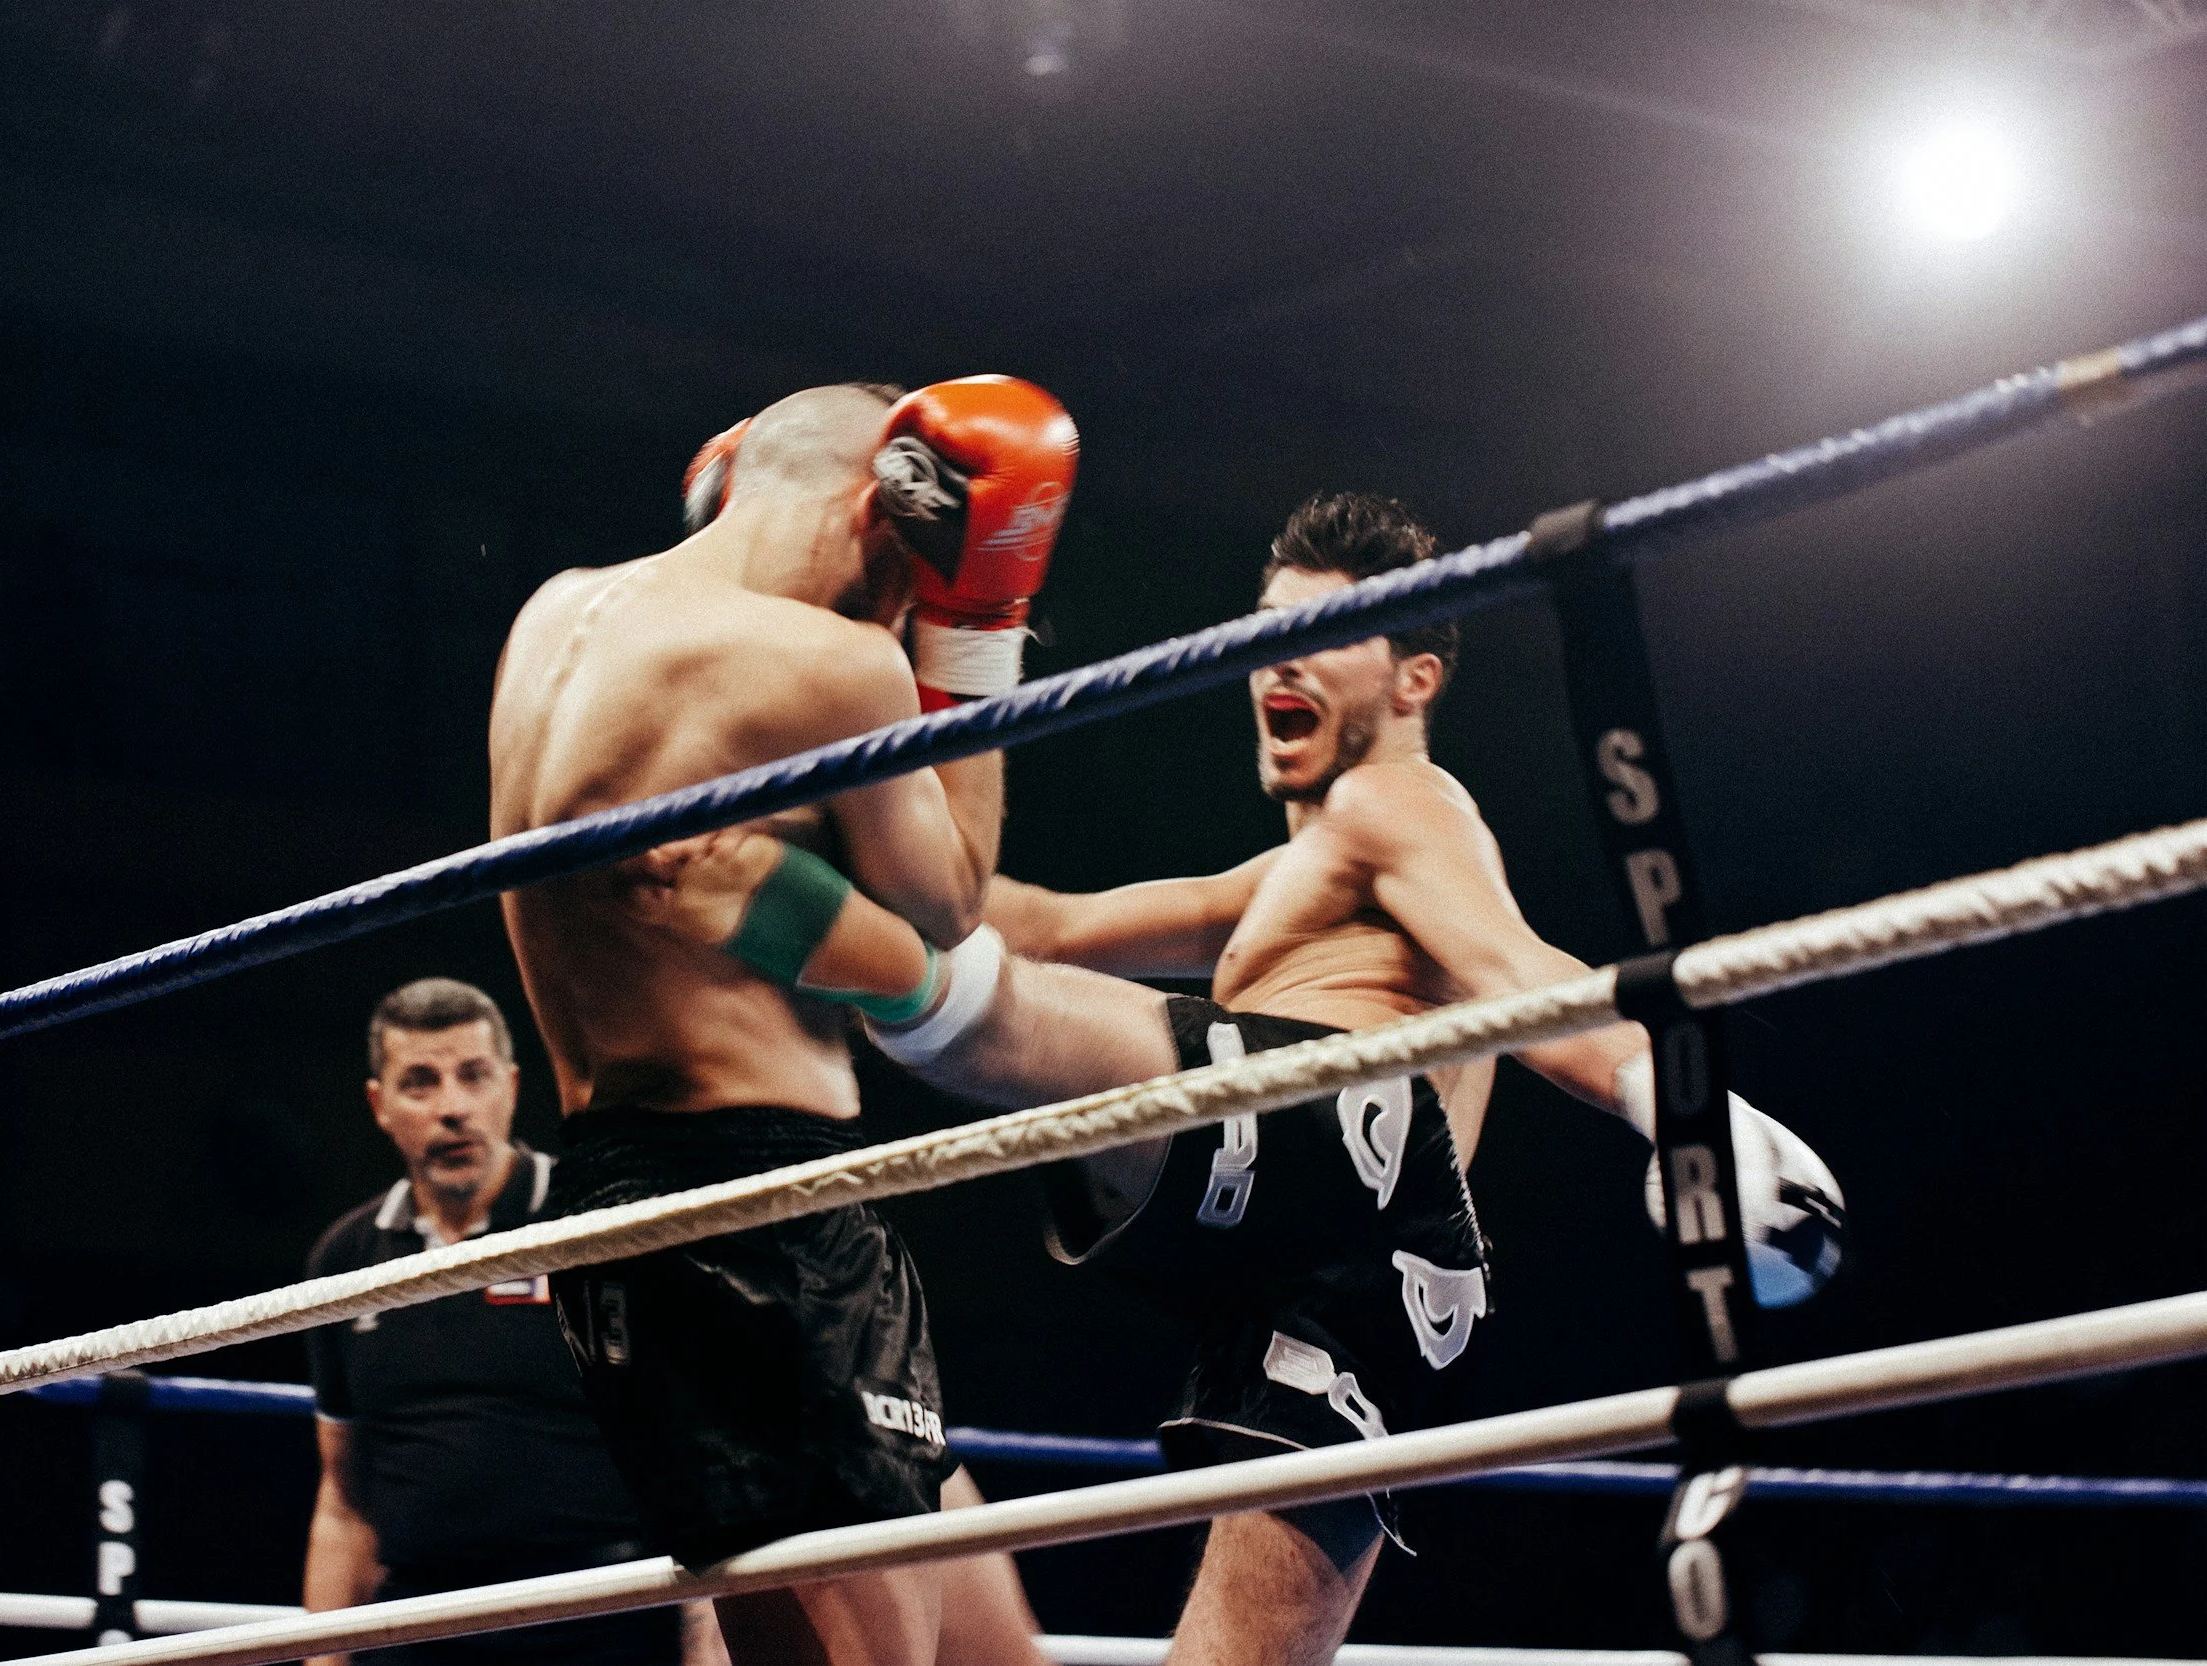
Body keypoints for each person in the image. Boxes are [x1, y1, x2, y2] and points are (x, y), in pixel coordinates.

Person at [622, 491, 1847, 1666]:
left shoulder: (1399, 800)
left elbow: (1521, 972)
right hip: (1369, 1283)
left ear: (1416, 679)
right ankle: (857, 951)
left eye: (1320, 636)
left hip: (1362, 1168)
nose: (1278, 664)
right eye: (1267, 637)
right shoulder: (1288, 877)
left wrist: (1691, 1115)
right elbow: (1037, 919)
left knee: (991, 1020)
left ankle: (852, 960)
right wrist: (833, 805)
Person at [487, 378, 1078, 1665]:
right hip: (765, 1210)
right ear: (888, 508)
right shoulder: (838, 661)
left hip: (618, 1199)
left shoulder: (554, 614)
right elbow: (952, 897)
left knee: (993, 1655)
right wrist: (976, 619)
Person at [301, 977, 722, 1666]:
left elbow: (693, 1450)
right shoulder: (346, 1257)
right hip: (419, 1624)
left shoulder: (597, 1223)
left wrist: (705, 1634)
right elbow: (344, 1502)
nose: (454, 1109)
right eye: (421, 1083)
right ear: (380, 1104)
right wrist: (323, 1660)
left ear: (512, 1085)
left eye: (473, 1076)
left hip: (599, 1615)